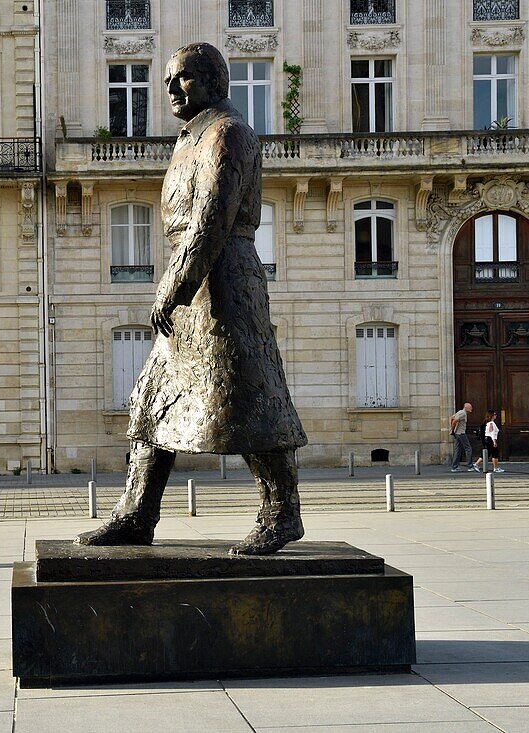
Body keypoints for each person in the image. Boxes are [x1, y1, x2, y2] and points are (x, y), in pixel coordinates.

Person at [76, 43, 308, 556]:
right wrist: (179, 283)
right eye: (166, 81)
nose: (170, 89)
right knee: (151, 400)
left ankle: (282, 509)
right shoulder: (191, 139)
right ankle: (137, 512)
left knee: (250, 396)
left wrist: (173, 284)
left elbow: (212, 217)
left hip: (224, 280)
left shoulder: (228, 133)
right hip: (194, 283)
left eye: (180, 78)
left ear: (211, 79)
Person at [448, 402, 474, 472]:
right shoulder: (463, 413)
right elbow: (454, 421)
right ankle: (470, 466)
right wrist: (452, 429)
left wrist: (453, 430)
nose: (471, 408)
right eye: (470, 407)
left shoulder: (460, 412)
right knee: (468, 448)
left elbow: (451, 418)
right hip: (461, 433)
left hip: (457, 433)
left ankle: (454, 467)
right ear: (466, 407)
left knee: (458, 450)